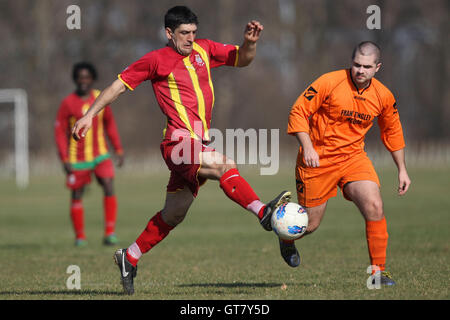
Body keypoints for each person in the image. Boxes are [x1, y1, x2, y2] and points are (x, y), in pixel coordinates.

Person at [72, 6, 291, 295]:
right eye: (184, 33)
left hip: (198, 144)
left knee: (174, 214)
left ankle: (130, 256)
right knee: (224, 165)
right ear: (168, 33)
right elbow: (118, 87)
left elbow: (242, 60)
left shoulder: (204, 49)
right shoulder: (156, 60)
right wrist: (89, 114)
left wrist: (250, 44)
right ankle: (264, 212)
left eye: (193, 33)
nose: (190, 38)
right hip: (177, 143)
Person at [287, 41, 411, 285]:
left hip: (353, 158)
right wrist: (308, 146)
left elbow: (393, 131)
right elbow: (298, 111)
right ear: (351, 62)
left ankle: (378, 274)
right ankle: (285, 235)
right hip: (317, 159)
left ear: (377, 67)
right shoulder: (329, 82)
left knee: (375, 206)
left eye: (366, 66)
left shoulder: (383, 96)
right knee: (309, 226)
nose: (360, 70)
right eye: (356, 64)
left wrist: (402, 170)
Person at [55, 62, 124, 247]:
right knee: (77, 194)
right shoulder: (68, 103)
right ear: (75, 80)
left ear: (92, 79)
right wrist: (64, 158)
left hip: (100, 154)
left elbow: (110, 124)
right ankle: (80, 237)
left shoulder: (100, 98)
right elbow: (60, 132)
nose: (83, 81)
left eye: (87, 77)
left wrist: (118, 149)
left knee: (108, 184)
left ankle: (110, 233)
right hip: (77, 157)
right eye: (80, 77)